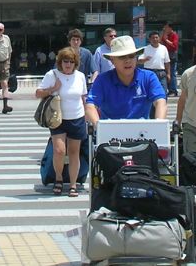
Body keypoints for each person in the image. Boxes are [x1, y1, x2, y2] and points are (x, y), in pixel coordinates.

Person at [36, 47, 88, 197]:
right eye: (65, 61)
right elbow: (38, 93)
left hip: (77, 117)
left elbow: (84, 97)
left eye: (71, 62)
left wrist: (87, 115)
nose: (68, 64)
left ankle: (72, 184)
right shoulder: (52, 75)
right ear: (60, 62)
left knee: (74, 152)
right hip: (57, 118)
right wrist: (53, 88)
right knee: (59, 150)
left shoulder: (80, 76)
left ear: (75, 63)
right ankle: (58, 178)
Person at [85, 35, 167, 127]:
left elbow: (160, 102)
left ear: (136, 58)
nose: (127, 61)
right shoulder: (102, 80)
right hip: (110, 136)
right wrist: (99, 128)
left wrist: (159, 126)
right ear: (112, 60)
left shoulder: (148, 77)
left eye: (131, 56)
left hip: (143, 135)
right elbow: (90, 106)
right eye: (122, 57)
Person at [162, 21, 180, 96]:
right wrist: (163, 36)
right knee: (166, 73)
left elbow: (174, 46)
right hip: (165, 56)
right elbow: (160, 43)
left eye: (166, 27)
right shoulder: (165, 35)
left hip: (172, 56)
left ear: (170, 28)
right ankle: (168, 89)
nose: (165, 29)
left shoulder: (174, 35)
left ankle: (173, 90)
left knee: (172, 73)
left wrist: (166, 40)